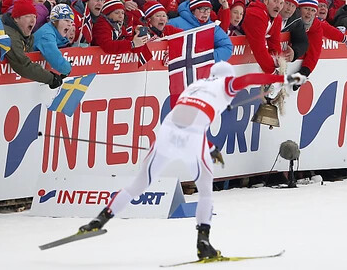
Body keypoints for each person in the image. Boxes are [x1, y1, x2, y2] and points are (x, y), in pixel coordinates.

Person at [78, 61, 307, 259]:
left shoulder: (196, 86)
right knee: (205, 192)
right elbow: (248, 78)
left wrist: (209, 147)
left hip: (167, 133)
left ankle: (98, 221)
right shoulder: (225, 85)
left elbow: (188, 117)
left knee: (139, 184)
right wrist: (285, 78)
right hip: (192, 139)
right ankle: (203, 243)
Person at [1, 0, 64, 88]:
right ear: (16, 18)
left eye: (34, 16)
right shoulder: (10, 36)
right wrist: (51, 78)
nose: (33, 20)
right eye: (27, 16)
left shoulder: (27, 36)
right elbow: (23, 66)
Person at [32, 4, 74, 75]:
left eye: (71, 22)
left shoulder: (56, 34)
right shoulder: (47, 34)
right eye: (66, 20)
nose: (70, 24)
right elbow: (54, 57)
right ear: (55, 21)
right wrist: (68, 69)